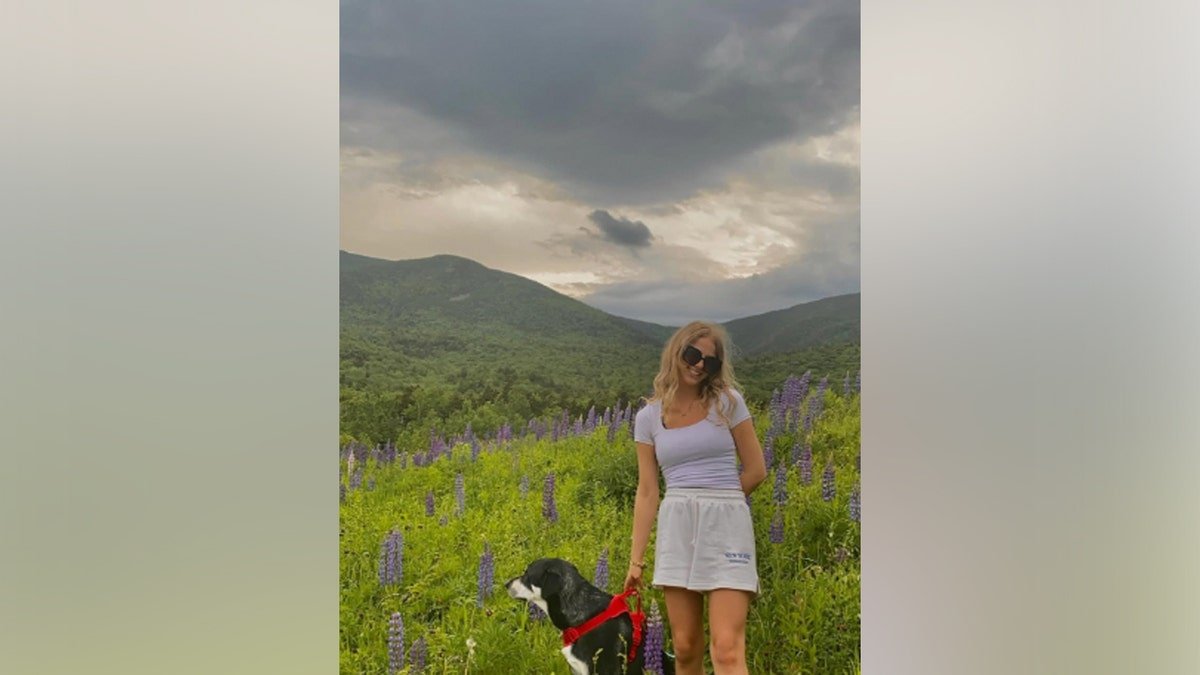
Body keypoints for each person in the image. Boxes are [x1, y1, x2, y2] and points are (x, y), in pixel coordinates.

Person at [623, 321, 767, 675]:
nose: (699, 365)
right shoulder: (648, 418)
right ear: (676, 352)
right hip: (677, 524)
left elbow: (756, 469)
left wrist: (722, 503)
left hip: (726, 525)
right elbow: (647, 490)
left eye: (710, 361)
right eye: (692, 354)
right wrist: (635, 561)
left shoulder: (728, 403)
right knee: (685, 648)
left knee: (727, 648)